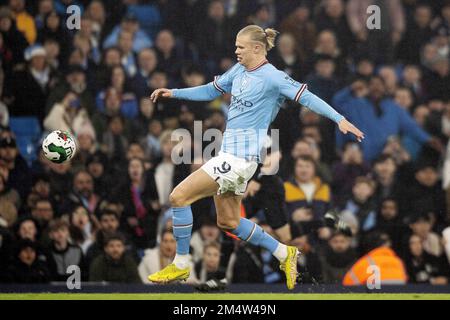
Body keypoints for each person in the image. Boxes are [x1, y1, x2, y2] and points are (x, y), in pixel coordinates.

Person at [148, 25, 364, 290]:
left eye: (240, 46)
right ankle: (285, 253)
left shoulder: (273, 77)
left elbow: (307, 98)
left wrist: (339, 119)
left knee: (178, 197)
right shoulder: (238, 70)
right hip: (231, 156)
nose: (236, 50)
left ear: (257, 48)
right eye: (236, 45)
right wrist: (174, 93)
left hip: (240, 160)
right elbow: (210, 90)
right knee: (228, 221)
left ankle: (181, 263)